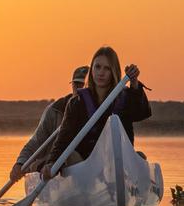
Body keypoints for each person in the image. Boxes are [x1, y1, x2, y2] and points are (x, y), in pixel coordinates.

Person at [39, 46, 151, 180]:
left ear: (114, 72)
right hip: (86, 166)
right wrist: (52, 162)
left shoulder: (126, 97)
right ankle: (84, 186)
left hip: (116, 164)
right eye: (97, 67)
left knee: (140, 156)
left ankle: (123, 185)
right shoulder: (76, 103)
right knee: (70, 155)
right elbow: (64, 138)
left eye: (107, 68)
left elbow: (141, 113)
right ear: (91, 69)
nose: (101, 73)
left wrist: (134, 83)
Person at [9, 65, 89, 182]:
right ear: (72, 86)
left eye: (84, 85)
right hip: (54, 166)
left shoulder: (99, 109)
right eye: (76, 85)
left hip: (83, 164)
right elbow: (36, 142)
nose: (79, 89)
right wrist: (20, 163)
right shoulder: (55, 110)